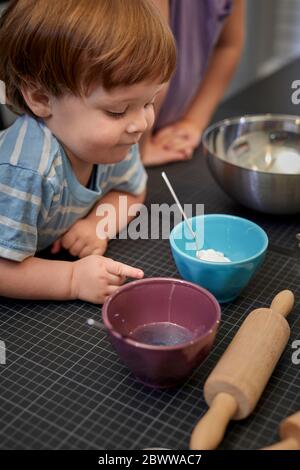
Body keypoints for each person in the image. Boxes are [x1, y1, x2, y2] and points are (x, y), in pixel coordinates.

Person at [0, 0, 176, 303]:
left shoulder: (115, 142)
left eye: (148, 102)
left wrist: (98, 225)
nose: (141, 124)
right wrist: (72, 279)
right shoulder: (24, 171)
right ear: (42, 98)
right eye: (117, 111)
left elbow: (132, 191)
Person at [141, 0, 245, 166]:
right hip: (117, 146)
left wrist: (193, 121)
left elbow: (227, 47)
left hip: (164, 132)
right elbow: (155, 66)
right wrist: (140, 150)